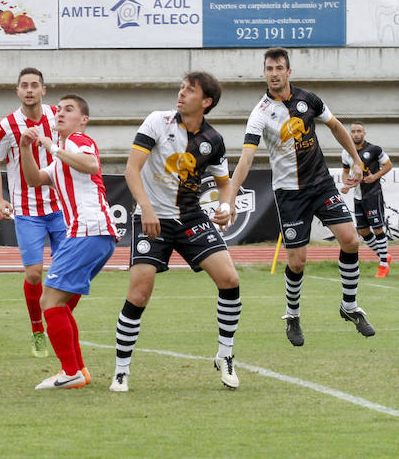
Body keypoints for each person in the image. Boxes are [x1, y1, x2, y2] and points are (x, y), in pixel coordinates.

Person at [226, 48, 373, 347]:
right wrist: (229, 196)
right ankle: (292, 315)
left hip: (320, 184)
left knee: (351, 240)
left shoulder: (309, 100)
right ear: (264, 73)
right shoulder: (260, 114)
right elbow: (246, 159)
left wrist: (356, 160)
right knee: (297, 261)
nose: (274, 73)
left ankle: (349, 306)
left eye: (279, 67)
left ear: (289, 71)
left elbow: (335, 126)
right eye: (269, 68)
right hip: (289, 193)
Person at [111, 72, 242, 392]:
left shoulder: (214, 140)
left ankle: (225, 355)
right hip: (150, 216)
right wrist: (148, 209)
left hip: (190, 217)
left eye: (190, 90)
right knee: (139, 292)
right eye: (182, 88)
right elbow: (132, 170)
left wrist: (227, 206)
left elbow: (225, 185)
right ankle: (121, 371)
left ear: (206, 102)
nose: (181, 94)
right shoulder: (157, 121)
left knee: (230, 279)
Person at [19, 95, 117, 390]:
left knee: (50, 303)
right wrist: (26, 148)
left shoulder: (77, 140)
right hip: (90, 234)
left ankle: (71, 371)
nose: (60, 113)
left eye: (69, 109)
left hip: (89, 231)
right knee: (58, 304)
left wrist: (51, 146)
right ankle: (78, 371)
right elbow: (34, 178)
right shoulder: (60, 155)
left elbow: (90, 164)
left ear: (83, 119)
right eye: (59, 109)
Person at [0, 67, 66, 358]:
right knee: (34, 275)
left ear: (43, 90)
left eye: (35, 85)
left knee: (66, 272)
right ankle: (37, 329)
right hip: (28, 209)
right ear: (17, 91)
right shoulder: (7, 126)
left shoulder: (58, 116)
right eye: (24, 85)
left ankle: (60, 322)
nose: (29, 89)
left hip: (61, 206)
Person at [340, 122, 393, 277]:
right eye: (353, 131)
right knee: (363, 232)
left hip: (373, 194)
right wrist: (347, 184)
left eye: (359, 131)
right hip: (358, 197)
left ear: (364, 133)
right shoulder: (346, 152)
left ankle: (383, 265)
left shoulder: (374, 149)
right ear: (350, 134)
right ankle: (384, 256)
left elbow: (388, 165)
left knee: (377, 229)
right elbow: (345, 172)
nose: (356, 134)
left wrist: (374, 177)